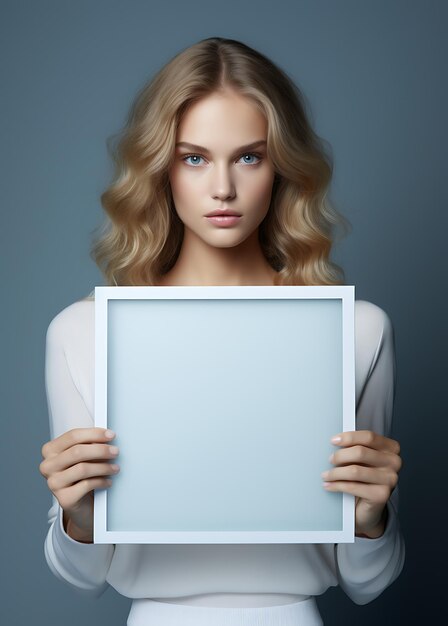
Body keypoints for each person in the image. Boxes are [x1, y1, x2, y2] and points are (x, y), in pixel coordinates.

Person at [39, 37, 405, 625]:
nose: (223, 189)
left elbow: (368, 583)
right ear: (161, 167)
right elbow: (85, 580)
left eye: (248, 157)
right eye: (194, 158)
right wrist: (77, 519)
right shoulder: (84, 333)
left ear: (281, 165)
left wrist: (371, 520)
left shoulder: (357, 331)